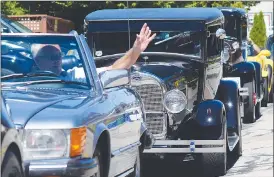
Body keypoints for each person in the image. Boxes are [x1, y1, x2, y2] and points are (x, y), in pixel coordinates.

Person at [31, 23, 156, 82]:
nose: (57, 60)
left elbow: (113, 68)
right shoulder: (20, 83)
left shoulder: (75, 76)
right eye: (51, 56)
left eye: (58, 55)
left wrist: (136, 50)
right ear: (36, 60)